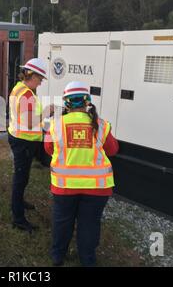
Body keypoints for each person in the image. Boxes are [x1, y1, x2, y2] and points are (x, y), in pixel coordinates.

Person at [44, 81, 119, 266]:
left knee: (62, 222)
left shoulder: (54, 125)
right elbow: (113, 150)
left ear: (66, 102)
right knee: (89, 224)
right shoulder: (101, 125)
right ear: (88, 102)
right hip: (97, 189)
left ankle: (57, 256)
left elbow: (48, 149)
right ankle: (87, 260)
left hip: (64, 187)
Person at [7, 58, 52, 233]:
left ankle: (19, 202)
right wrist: (47, 112)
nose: (40, 83)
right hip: (23, 142)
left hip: (20, 138)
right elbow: (30, 122)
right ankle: (18, 218)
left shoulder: (20, 88)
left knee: (23, 177)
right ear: (31, 75)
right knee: (20, 179)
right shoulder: (26, 94)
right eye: (40, 79)